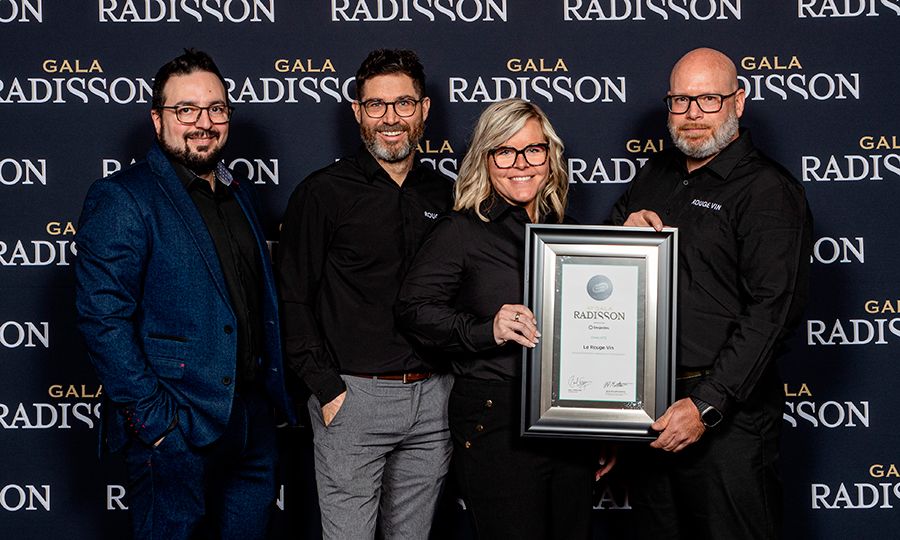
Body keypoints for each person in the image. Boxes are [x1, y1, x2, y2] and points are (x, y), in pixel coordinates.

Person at [74, 49, 295, 540]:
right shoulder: (124, 197)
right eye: (186, 110)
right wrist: (155, 422)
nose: (203, 123)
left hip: (251, 425)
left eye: (216, 109)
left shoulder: (240, 192)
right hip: (175, 427)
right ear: (158, 120)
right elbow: (102, 319)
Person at [609, 47, 812, 539]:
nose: (693, 115)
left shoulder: (767, 190)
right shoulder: (654, 175)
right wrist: (621, 229)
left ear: (738, 103)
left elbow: (772, 313)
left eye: (708, 99)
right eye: (681, 101)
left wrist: (704, 406)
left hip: (727, 421)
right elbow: (605, 273)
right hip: (651, 408)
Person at [396, 98, 614, 540]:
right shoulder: (462, 230)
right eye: (505, 151)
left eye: (533, 150)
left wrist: (605, 423)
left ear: (550, 158)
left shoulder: (570, 232)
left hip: (568, 421)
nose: (521, 164)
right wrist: (486, 330)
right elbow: (414, 310)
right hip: (497, 418)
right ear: (485, 159)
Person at [276, 49, 454, 539]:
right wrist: (328, 389)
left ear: (424, 110)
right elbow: (290, 297)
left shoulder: (447, 195)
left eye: (403, 104)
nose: (390, 119)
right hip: (354, 398)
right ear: (357, 112)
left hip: (434, 401)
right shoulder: (322, 193)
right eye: (376, 106)